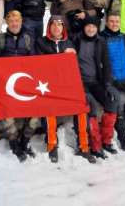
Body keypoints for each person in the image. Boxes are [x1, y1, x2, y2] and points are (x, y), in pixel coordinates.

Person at [35, 15, 89, 162]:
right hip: (49, 85)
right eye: (53, 24)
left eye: (59, 25)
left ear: (63, 27)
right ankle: (52, 144)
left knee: (82, 106)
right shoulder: (41, 42)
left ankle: (84, 145)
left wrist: (72, 57)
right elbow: (39, 64)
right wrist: (59, 57)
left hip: (67, 84)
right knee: (49, 108)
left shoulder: (69, 43)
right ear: (49, 27)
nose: (56, 28)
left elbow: (75, 67)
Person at [0, 11, 40, 161]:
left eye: (17, 20)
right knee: (7, 113)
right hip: (6, 84)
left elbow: (34, 61)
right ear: (7, 22)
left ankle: (25, 140)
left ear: (21, 20)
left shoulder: (29, 38)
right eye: (11, 21)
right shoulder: (0, 39)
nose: (14, 23)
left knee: (36, 113)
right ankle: (13, 142)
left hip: (25, 83)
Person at [74, 16, 123, 159]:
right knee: (91, 104)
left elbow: (106, 64)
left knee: (112, 101)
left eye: (94, 27)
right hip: (81, 83)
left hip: (96, 81)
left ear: (97, 28)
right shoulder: (76, 40)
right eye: (88, 26)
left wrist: (107, 84)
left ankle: (106, 140)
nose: (91, 29)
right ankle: (95, 144)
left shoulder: (100, 41)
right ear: (84, 27)